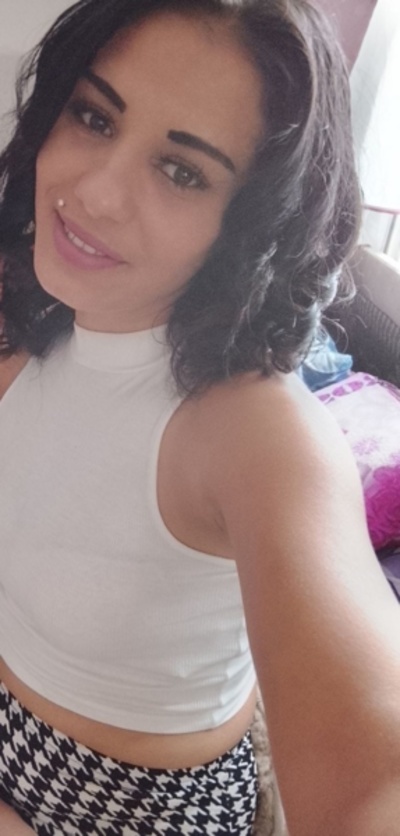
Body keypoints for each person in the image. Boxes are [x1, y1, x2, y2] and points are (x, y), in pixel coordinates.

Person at [0, 1, 400, 834]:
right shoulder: (46, 311)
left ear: (251, 223)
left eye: (182, 171)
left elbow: (374, 785)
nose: (95, 193)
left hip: (119, 803)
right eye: (94, 116)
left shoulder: (257, 431)